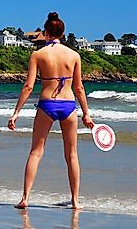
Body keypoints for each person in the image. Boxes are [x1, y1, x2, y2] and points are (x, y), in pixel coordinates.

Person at [8, 12, 93, 209]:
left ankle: (25, 199)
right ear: (62, 34)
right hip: (68, 106)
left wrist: (16, 112)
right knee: (71, 154)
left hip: (46, 105)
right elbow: (79, 88)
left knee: (36, 152)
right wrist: (86, 113)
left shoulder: (38, 55)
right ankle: (75, 201)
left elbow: (28, 87)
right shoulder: (74, 55)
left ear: (45, 33)